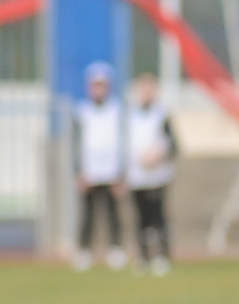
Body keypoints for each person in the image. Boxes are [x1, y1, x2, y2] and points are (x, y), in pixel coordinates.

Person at [73, 61, 127, 271]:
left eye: (102, 85)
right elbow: (76, 144)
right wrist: (78, 171)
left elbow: (123, 142)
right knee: (88, 214)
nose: (98, 90)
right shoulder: (82, 111)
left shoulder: (117, 110)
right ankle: (84, 250)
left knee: (113, 214)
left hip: (111, 172)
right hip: (90, 171)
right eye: (95, 85)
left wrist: (121, 172)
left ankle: (115, 249)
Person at [126, 72, 177, 275]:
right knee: (141, 219)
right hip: (137, 177)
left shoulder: (162, 114)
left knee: (158, 218)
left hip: (157, 176)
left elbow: (174, 145)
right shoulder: (130, 115)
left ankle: (162, 255)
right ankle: (144, 256)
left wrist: (158, 155)